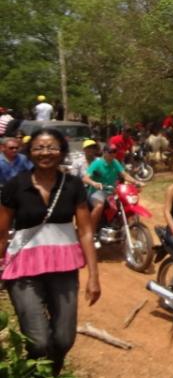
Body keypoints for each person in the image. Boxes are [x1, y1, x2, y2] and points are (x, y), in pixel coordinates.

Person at [0, 128, 101, 376]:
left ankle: (51, 373)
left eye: (52, 147)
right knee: (39, 341)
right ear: (29, 152)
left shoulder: (74, 185)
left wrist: (94, 277)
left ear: (62, 151)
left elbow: (86, 232)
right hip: (23, 268)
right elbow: (1, 233)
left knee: (64, 339)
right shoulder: (16, 186)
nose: (45, 153)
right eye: (39, 148)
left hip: (64, 267)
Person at [82, 144, 143, 234]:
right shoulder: (97, 163)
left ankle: (118, 225)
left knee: (126, 202)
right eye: (110, 152)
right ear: (104, 152)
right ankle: (91, 232)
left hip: (111, 192)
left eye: (115, 152)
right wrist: (94, 183)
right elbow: (85, 178)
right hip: (97, 191)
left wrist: (136, 182)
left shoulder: (115, 162)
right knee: (99, 206)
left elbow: (124, 175)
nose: (113, 154)